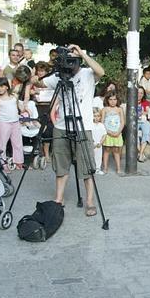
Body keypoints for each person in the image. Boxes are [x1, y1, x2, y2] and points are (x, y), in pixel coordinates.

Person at [42, 44, 105, 216]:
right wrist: (53, 65)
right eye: (67, 60)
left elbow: (101, 72)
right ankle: (58, 198)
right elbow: (37, 81)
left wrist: (82, 53)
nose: (71, 64)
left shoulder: (87, 73)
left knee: (86, 166)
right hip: (61, 126)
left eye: (73, 60)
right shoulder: (58, 77)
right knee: (61, 165)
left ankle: (90, 201)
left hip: (83, 127)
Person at [0, 77, 24, 170]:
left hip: (15, 122)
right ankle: (3, 163)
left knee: (17, 143)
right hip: (4, 123)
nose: (0, 89)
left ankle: (19, 162)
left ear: (7, 87)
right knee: (2, 144)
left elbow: (19, 107)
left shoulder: (14, 97)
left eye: (2, 86)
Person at [100, 91, 124, 175]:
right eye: (110, 99)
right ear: (107, 100)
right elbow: (102, 122)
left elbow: (122, 122)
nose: (113, 101)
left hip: (117, 133)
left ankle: (118, 168)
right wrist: (108, 131)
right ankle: (105, 168)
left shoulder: (119, 109)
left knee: (116, 151)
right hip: (108, 133)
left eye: (115, 99)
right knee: (107, 150)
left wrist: (118, 132)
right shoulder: (105, 109)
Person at [92, 110, 107, 175]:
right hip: (92, 144)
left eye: (98, 116)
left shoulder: (101, 125)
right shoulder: (90, 125)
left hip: (99, 144)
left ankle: (98, 168)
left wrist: (100, 143)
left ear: (100, 117)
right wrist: (92, 143)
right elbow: (89, 134)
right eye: (94, 116)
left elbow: (104, 135)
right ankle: (92, 169)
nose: (96, 118)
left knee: (98, 156)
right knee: (91, 156)